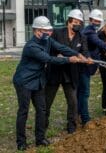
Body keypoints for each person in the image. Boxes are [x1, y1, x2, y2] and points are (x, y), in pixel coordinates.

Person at [13, 16, 81, 151]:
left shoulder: (48, 40)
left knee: (42, 110)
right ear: (37, 31)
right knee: (23, 111)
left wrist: (78, 55)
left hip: (38, 81)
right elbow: (49, 59)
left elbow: (61, 47)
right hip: (24, 81)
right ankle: (21, 142)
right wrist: (69, 60)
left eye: (49, 30)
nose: (49, 33)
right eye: (46, 31)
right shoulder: (31, 46)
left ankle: (40, 138)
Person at [45, 9, 91, 134]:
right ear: (69, 22)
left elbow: (84, 51)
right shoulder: (57, 33)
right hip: (55, 72)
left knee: (73, 102)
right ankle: (43, 124)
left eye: (80, 23)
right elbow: (50, 49)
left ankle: (71, 125)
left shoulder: (82, 37)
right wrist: (59, 56)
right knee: (47, 101)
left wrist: (87, 58)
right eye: (75, 22)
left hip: (71, 73)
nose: (78, 25)